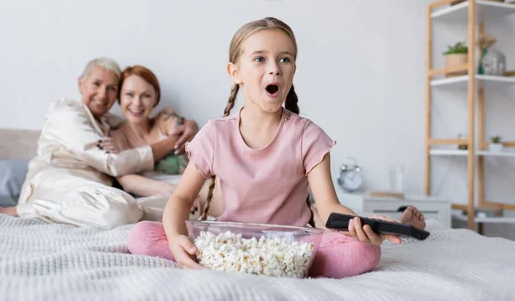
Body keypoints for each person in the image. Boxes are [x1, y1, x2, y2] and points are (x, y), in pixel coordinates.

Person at [126, 18, 426, 279]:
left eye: (285, 59)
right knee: (141, 234)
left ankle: (275, 265)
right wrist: (178, 238)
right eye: (260, 59)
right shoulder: (215, 134)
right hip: (229, 242)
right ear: (235, 72)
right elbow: (181, 197)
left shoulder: (309, 136)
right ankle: (246, 263)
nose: (275, 69)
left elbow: (329, 209)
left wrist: (364, 226)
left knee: (363, 251)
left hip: (292, 246)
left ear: (293, 70)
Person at [0, 57, 199, 229]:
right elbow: (113, 163)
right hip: (56, 182)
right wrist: (169, 144)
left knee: (189, 209)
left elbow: (160, 125)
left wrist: (190, 126)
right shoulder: (66, 113)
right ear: (81, 84)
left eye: (111, 89)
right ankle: (13, 211)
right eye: (97, 84)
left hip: (94, 194)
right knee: (121, 211)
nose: (103, 94)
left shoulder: (112, 125)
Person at [100, 65, 223, 218]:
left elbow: (180, 132)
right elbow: (125, 180)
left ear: (155, 98)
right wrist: (174, 191)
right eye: (129, 95)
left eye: (145, 95)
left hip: (198, 186)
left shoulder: (165, 118)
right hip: (161, 195)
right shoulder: (114, 137)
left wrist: (189, 126)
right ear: (120, 98)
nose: (137, 103)